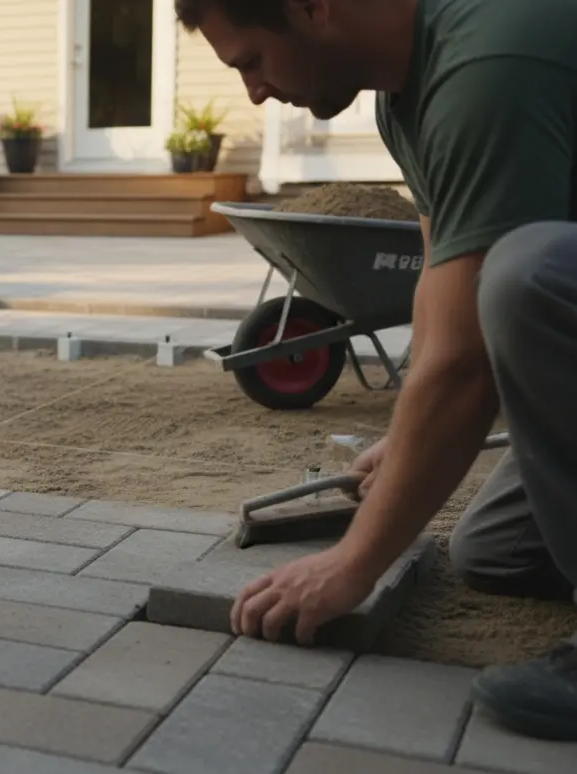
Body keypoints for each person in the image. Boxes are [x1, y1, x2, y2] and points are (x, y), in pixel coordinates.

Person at [176, 0, 577, 741]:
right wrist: (405, 438)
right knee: (497, 549)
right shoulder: (405, 98)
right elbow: (442, 278)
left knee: (528, 276)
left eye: (252, 62)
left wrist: (352, 565)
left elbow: (465, 368)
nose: (254, 93)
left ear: (313, 8)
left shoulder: (490, 64)